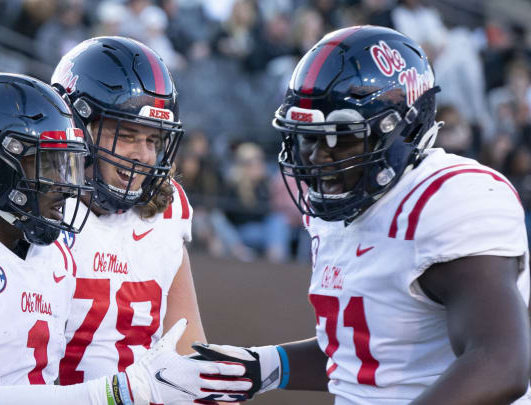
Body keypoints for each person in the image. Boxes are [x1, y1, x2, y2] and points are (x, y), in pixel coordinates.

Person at [0, 73, 249, 405]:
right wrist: (124, 390)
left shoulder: (53, 256)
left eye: (68, 165)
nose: (65, 185)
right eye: (47, 165)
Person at [193, 26, 531, 405]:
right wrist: (260, 366)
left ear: (404, 128)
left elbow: (501, 362)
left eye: (343, 137)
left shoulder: (449, 198)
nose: (320, 157)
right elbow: (368, 352)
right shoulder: (344, 204)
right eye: (310, 138)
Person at [47, 36, 210, 385]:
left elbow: (186, 347)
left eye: (153, 140)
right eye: (127, 135)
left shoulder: (167, 209)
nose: (144, 155)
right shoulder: (40, 207)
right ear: (78, 130)